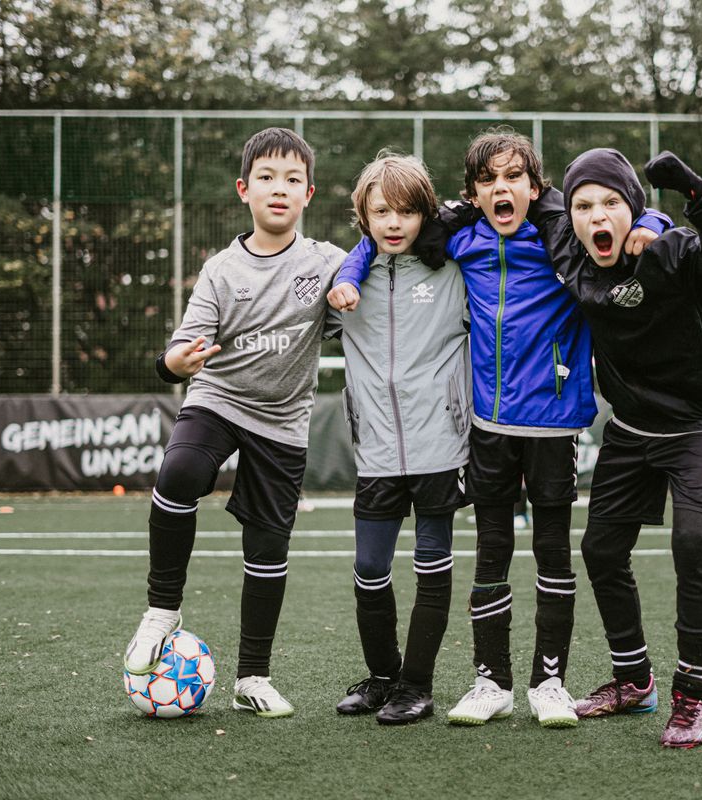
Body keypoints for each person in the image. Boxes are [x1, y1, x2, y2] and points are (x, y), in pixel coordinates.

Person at [331, 128, 668, 729]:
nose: (500, 188)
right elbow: (383, 237)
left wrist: (655, 222)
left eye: (514, 177)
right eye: (487, 181)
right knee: (491, 554)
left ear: (536, 188)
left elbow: (619, 220)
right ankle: (492, 682)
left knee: (553, 555)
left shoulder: (563, 237)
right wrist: (353, 272)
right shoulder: (461, 243)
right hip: (487, 427)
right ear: (472, 194)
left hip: (554, 425)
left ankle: (549, 683)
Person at [529, 147, 702, 748]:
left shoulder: (672, 253)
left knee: (693, 542)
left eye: (611, 203)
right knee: (601, 550)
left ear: (633, 207)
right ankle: (634, 680)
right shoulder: (571, 255)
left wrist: (692, 189)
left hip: (694, 428)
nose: (596, 215)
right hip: (630, 430)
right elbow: (532, 198)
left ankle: (693, 695)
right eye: (584, 206)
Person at [123, 127, 346, 719]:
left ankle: (253, 677)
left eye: (292, 179)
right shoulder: (221, 269)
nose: (280, 188)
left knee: (268, 547)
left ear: (308, 194)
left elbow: (370, 285)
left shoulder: (328, 263)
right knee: (179, 473)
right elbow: (176, 353)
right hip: (219, 400)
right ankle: (161, 612)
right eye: (267, 178)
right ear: (244, 190)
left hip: (284, 419)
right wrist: (176, 363)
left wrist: (351, 294)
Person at [325, 152, 469, 725]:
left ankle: (417, 686)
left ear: (425, 214)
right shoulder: (343, 281)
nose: (393, 222)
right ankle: (383, 678)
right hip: (377, 453)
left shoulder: (453, 268)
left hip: (441, 446)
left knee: (432, 567)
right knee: (369, 570)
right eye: (381, 211)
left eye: (406, 211)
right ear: (362, 215)